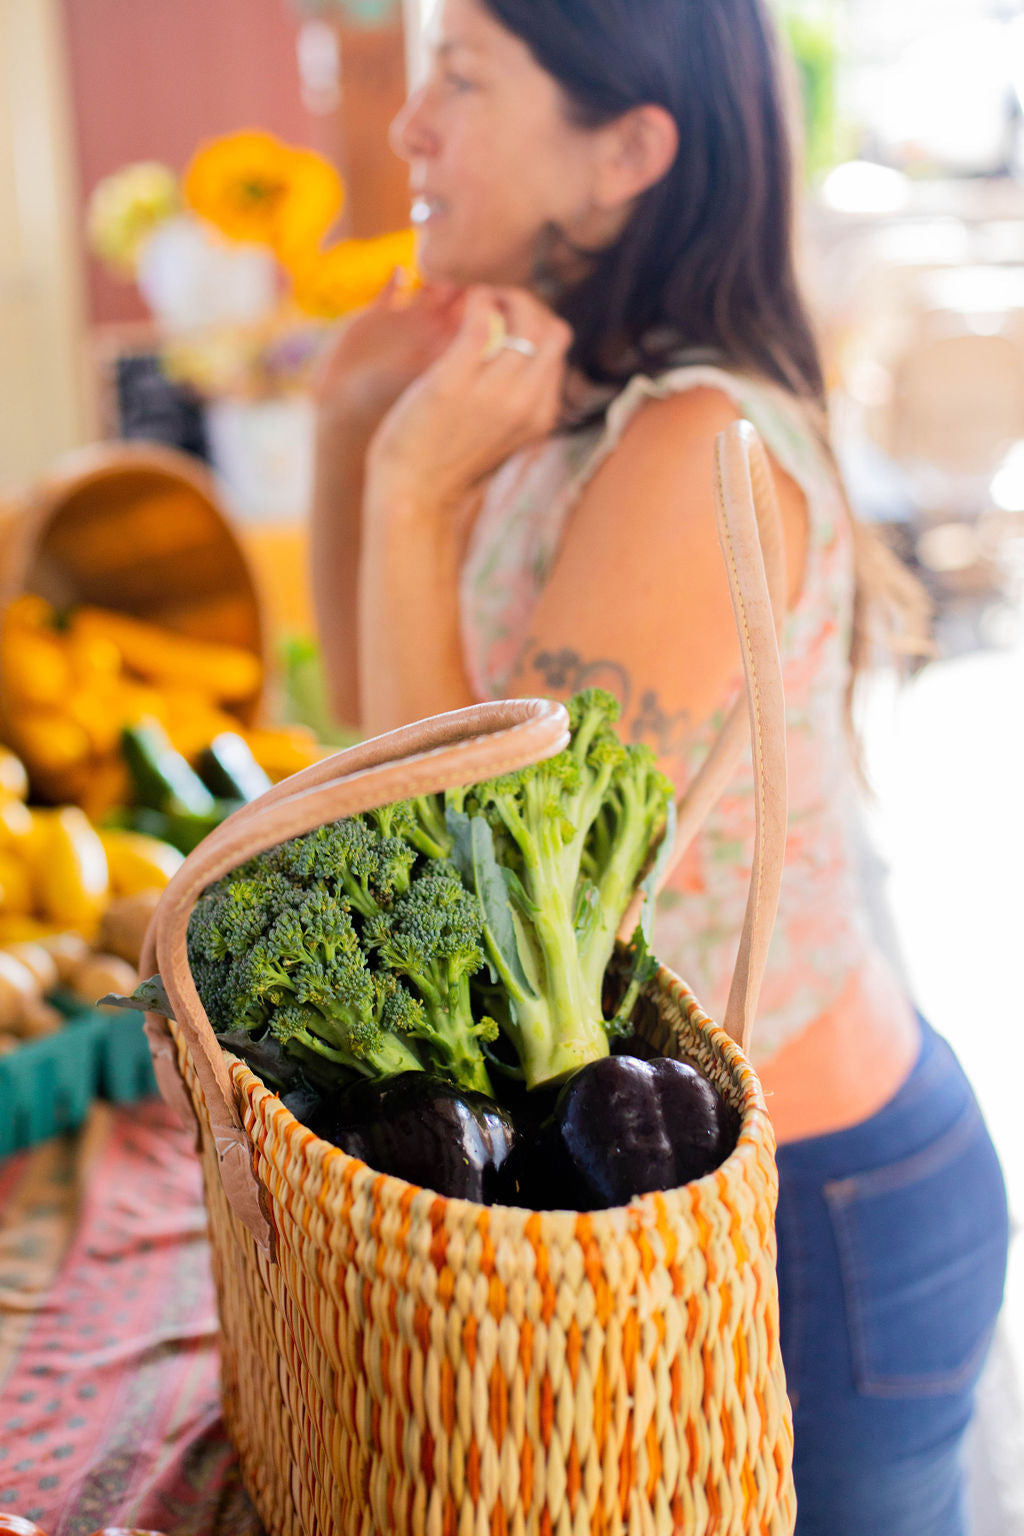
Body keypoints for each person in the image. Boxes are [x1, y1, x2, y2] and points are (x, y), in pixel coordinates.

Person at [309, 1, 1009, 1530]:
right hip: (678, 1180)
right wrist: (358, 434)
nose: (409, 129)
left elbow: (481, 903)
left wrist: (418, 495)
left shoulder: (694, 443)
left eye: (464, 81)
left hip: (810, 1210)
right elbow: (370, 764)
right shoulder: (568, 419)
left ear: (625, 149)